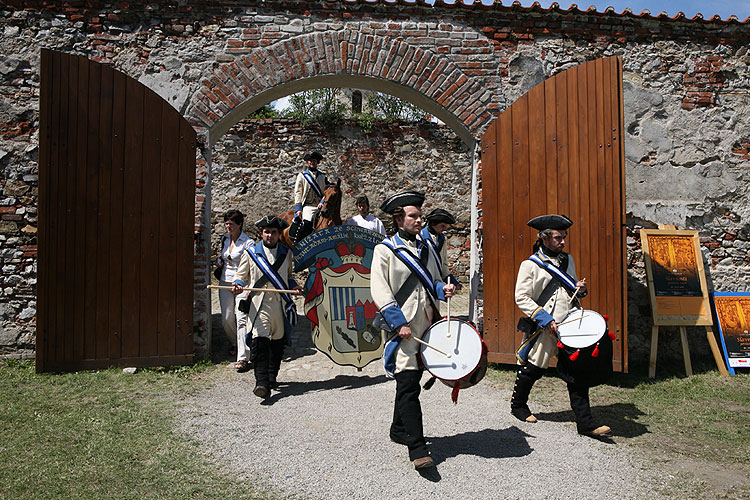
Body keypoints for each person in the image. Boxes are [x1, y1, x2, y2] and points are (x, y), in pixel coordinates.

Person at [370, 191, 456, 470]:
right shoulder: (385, 250)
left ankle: (398, 428)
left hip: (426, 325)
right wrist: (399, 323)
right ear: (398, 219)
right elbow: (380, 291)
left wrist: (444, 288)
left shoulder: (427, 247)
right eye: (414, 216)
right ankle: (418, 448)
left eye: (420, 215)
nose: (420, 220)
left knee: (411, 379)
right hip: (403, 328)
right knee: (408, 384)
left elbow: (432, 280)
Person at [511, 214, 611, 437]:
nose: (563, 242)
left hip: (570, 323)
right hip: (545, 325)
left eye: (564, 237)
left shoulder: (568, 260)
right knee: (534, 368)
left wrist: (581, 289)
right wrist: (545, 319)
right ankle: (518, 405)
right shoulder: (530, 265)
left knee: (578, 373)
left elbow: (571, 291)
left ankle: (585, 424)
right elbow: (522, 297)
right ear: (544, 239)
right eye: (558, 238)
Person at [232, 215, 304, 398]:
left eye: (273, 232)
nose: (269, 235)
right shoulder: (251, 253)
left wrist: (294, 286)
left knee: (277, 344)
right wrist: (238, 283)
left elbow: (287, 277)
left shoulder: (286, 254)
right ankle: (261, 382)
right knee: (260, 342)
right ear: (261, 233)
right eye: (266, 232)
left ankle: (272, 376)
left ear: (279, 234)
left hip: (279, 305)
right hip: (259, 305)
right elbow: (241, 275)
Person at [215, 209, 255, 372]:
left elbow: (252, 265)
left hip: (241, 283)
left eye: (231, 224)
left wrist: (247, 285)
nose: (228, 226)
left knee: (241, 319)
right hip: (225, 282)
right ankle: (235, 342)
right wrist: (219, 261)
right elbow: (222, 257)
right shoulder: (224, 239)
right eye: (226, 224)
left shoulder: (248, 242)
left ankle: (242, 357)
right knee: (226, 318)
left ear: (239, 225)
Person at [420, 208, 462, 290]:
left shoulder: (442, 239)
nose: (444, 229)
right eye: (442, 226)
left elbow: (443, 265)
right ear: (433, 223)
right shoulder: (419, 237)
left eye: (446, 226)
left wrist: (454, 282)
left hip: (435, 284)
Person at [291, 150, 328, 243]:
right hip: (308, 206)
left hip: (320, 206)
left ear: (317, 162)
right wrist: (298, 208)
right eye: (310, 160)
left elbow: (326, 193)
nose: (312, 162)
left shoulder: (323, 177)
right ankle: (300, 243)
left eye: (314, 161)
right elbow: (298, 192)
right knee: (307, 222)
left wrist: (322, 202)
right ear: (308, 162)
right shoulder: (302, 176)